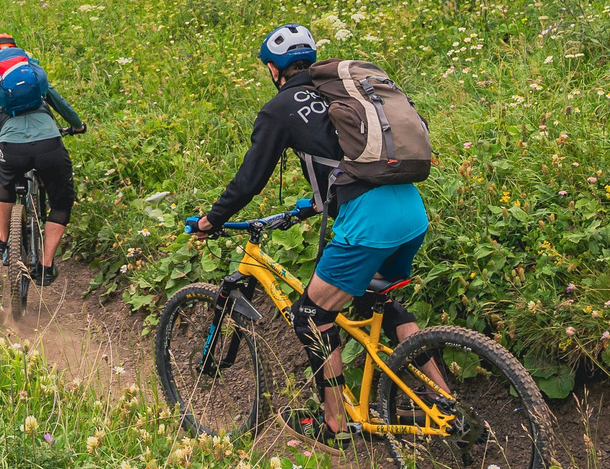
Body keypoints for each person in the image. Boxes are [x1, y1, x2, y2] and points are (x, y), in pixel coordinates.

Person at [191, 23, 450, 441]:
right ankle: (444, 398)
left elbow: (249, 180)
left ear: (274, 70)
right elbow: (345, 161)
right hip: (409, 209)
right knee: (378, 295)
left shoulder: (280, 107)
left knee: (311, 315)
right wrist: (313, 205)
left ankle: (335, 424)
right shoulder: (337, 92)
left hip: (369, 222)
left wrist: (211, 220)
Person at [0, 33, 85, 285]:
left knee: (5, 183)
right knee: (62, 201)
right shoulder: (36, 78)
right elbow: (62, 105)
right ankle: (46, 266)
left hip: (12, 149)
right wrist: (77, 126)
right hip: (49, 147)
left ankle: (3, 239)